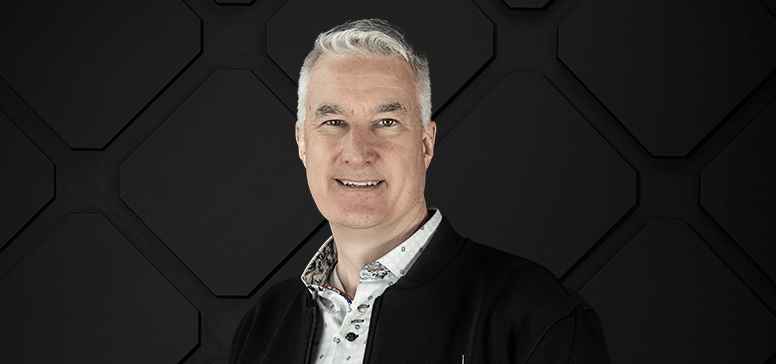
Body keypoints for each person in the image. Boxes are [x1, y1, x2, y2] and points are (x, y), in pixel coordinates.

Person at [230, 19, 610, 364]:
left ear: (426, 144)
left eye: (386, 121)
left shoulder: (535, 315)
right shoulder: (264, 323)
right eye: (333, 121)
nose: (358, 152)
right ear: (302, 143)